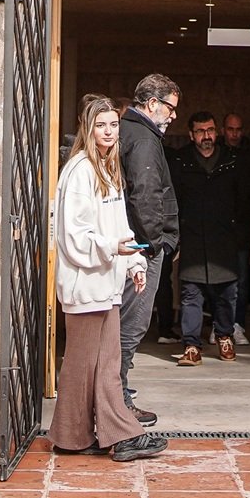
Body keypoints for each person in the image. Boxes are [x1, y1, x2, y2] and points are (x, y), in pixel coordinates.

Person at [47, 95, 168, 462]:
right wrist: (114, 249)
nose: (109, 131)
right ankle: (121, 435)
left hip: (104, 284)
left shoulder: (107, 167)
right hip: (86, 284)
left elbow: (119, 225)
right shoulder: (81, 170)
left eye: (113, 124)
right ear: (88, 128)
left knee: (93, 365)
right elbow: (73, 235)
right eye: (101, 125)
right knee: (95, 365)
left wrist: (134, 264)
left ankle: (71, 437)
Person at [117, 73, 181, 426]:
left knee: (125, 325)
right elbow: (144, 195)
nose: (173, 116)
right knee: (132, 326)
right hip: (142, 248)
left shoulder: (134, 132)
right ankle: (120, 404)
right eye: (170, 108)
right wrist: (156, 244)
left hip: (136, 245)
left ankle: (116, 397)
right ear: (152, 104)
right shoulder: (142, 138)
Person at [168, 112, 246, 365]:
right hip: (192, 237)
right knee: (191, 293)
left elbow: (244, 200)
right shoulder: (181, 162)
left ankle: (225, 336)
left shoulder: (232, 161)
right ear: (191, 135)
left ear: (217, 132)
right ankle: (191, 345)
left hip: (224, 237)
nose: (206, 136)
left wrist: (239, 230)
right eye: (200, 132)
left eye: (210, 130)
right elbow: (173, 200)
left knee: (226, 293)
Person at [222, 113, 250, 346]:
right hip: (218, 227)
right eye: (230, 129)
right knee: (217, 277)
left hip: (242, 225)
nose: (234, 134)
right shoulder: (216, 154)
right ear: (223, 129)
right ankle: (221, 326)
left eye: (238, 129)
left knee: (240, 278)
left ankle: (237, 324)